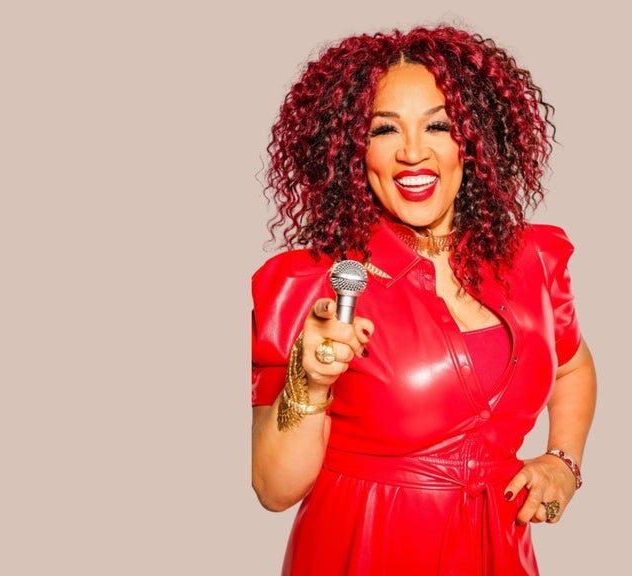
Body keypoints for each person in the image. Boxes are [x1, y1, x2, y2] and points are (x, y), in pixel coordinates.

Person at [250, 24, 597, 575]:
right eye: (384, 130)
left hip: (500, 557)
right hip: (360, 554)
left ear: (475, 139)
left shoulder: (532, 259)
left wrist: (563, 462)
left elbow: (571, 366)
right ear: (353, 149)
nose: (413, 152)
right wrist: (308, 381)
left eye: (439, 125)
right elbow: (274, 489)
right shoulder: (309, 283)